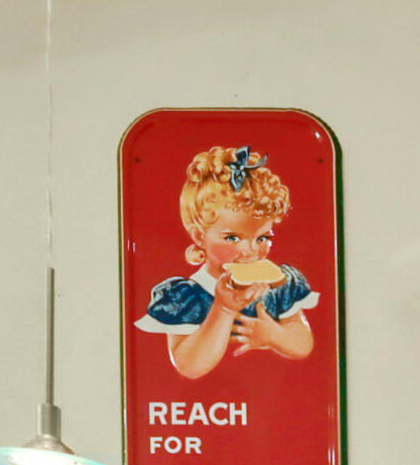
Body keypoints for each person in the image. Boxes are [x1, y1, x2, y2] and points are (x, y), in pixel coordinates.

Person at [137, 144, 319, 379]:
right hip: (207, 402)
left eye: (263, 237)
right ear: (200, 236)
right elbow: (189, 366)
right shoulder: (185, 297)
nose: (250, 250)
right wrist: (222, 308)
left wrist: (275, 335)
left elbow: (303, 343)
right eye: (233, 238)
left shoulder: (279, 285)